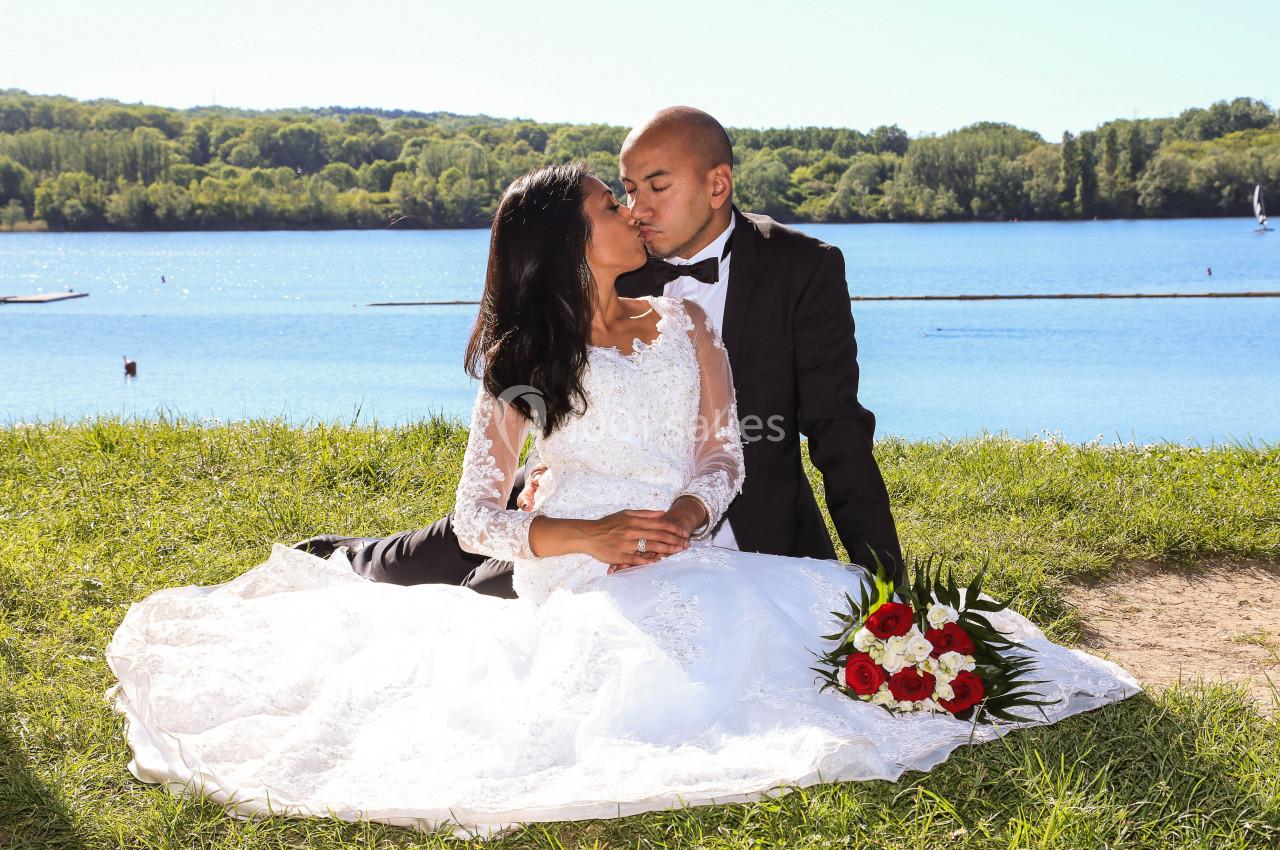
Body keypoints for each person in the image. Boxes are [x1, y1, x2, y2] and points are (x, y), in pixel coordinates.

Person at [107, 161, 1139, 838]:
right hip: (579, 571)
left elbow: (720, 460)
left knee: (799, 619)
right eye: (611, 206)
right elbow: (478, 516)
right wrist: (588, 533)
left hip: (699, 551)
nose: (630, 213)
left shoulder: (687, 322)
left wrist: (689, 517)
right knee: (637, 680)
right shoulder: (520, 361)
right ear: (569, 240)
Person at [295, 106, 904, 595]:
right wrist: (563, 489)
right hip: (575, 514)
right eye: (626, 192)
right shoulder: (611, 262)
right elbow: (537, 368)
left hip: (740, 524)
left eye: (656, 188)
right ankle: (352, 554)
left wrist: (891, 592)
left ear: (718, 184)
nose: (637, 211)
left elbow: (839, 437)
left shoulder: (801, 268)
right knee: (439, 573)